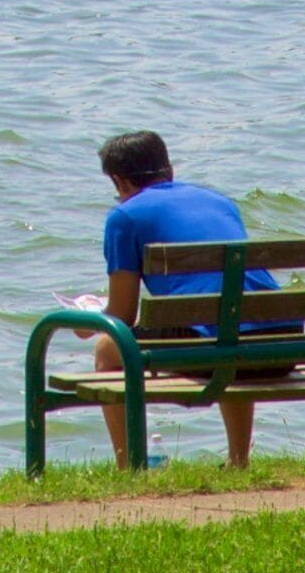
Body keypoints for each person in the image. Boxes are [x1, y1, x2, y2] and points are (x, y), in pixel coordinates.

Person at [88, 130, 275, 467]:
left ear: (119, 182)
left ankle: (129, 465)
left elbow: (122, 316)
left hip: (219, 349)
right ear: (169, 171)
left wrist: (90, 321)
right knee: (228, 325)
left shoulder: (124, 217)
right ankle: (238, 459)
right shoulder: (221, 202)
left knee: (107, 348)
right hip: (276, 344)